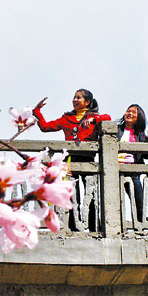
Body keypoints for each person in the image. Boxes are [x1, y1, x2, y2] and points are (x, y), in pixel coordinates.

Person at [33, 89, 111, 232]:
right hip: (70, 159)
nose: (75, 100)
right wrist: (37, 111)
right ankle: (74, 226)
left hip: (89, 159)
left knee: (90, 193)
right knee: (72, 192)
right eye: (74, 98)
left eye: (79, 98)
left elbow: (108, 118)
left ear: (87, 102)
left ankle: (93, 226)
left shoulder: (95, 117)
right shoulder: (66, 119)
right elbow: (45, 127)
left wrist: (93, 119)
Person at [117, 104, 148, 223]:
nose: (129, 114)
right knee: (116, 202)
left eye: (134, 112)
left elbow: (147, 153)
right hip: (116, 171)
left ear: (139, 117)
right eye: (128, 111)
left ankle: (140, 226)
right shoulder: (116, 130)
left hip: (132, 172)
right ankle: (117, 226)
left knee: (138, 201)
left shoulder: (140, 135)